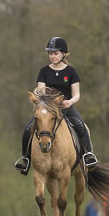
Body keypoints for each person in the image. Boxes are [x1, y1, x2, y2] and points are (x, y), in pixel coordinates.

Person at [14, 37, 98, 175]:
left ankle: (88, 155)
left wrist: (70, 102)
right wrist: (40, 95)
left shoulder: (71, 71)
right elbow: (41, 89)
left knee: (80, 125)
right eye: (50, 53)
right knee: (27, 129)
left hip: (65, 107)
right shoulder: (44, 71)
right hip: (47, 108)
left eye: (55, 53)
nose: (52, 56)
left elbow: (76, 94)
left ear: (63, 54)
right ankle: (25, 159)